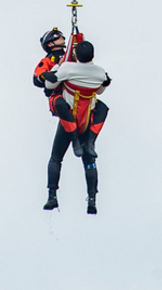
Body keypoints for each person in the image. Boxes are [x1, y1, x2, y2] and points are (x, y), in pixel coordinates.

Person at [41, 39, 111, 214]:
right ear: (93, 55)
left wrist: (56, 70)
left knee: (56, 158)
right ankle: (92, 200)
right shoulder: (100, 73)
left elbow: (50, 84)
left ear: (75, 55)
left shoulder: (67, 68)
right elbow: (101, 90)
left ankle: (52, 196)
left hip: (68, 120)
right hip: (87, 119)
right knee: (89, 162)